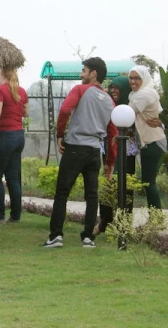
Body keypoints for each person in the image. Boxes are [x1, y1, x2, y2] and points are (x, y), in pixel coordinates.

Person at [43, 57, 118, 248]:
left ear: (93, 73)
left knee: (62, 193)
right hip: (94, 152)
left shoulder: (80, 90)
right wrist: (110, 162)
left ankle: (56, 236)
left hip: (75, 148)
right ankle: (88, 238)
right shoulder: (110, 101)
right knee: (92, 196)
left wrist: (60, 134)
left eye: (84, 70)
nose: (81, 74)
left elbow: (65, 110)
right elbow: (113, 133)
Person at [0, 67, 28, 225]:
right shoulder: (21, 91)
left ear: (2, 73)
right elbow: (26, 113)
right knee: (12, 177)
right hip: (18, 136)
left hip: (4, 135)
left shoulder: (0, 90)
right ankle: (15, 216)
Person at [97, 75, 137, 234]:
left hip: (127, 151)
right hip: (109, 148)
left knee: (126, 186)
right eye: (112, 87)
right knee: (107, 184)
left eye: (117, 88)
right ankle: (105, 221)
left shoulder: (132, 106)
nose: (113, 91)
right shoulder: (107, 104)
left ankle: (124, 224)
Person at [127, 65, 165, 210]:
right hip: (151, 141)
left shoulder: (145, 95)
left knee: (149, 182)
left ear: (144, 79)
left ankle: (156, 217)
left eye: (137, 78)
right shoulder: (136, 95)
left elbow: (128, 114)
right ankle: (155, 216)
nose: (133, 81)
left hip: (153, 142)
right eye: (131, 78)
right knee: (148, 182)